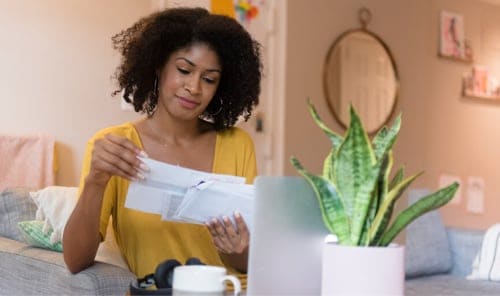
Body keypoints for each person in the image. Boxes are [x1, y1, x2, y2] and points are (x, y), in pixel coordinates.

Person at [62, 6, 261, 284]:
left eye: (209, 79)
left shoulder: (237, 144)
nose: (194, 87)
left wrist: (238, 248)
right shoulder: (116, 146)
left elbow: (244, 262)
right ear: (158, 66)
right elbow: (75, 260)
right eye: (184, 70)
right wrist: (96, 180)